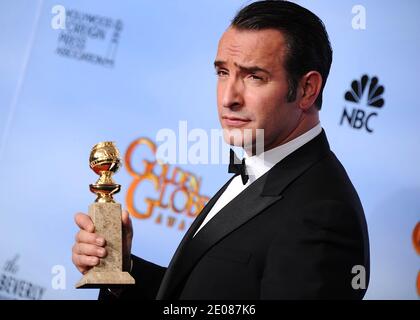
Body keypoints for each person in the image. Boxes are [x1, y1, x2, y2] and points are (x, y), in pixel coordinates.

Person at [72, 0, 370, 299]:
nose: (228, 97)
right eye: (222, 73)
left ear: (307, 90)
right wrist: (122, 271)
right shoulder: (261, 166)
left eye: (254, 76)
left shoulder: (324, 216)